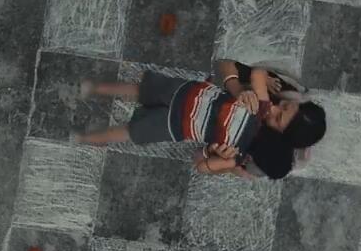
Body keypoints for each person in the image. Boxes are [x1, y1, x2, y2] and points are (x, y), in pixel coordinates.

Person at [73, 58, 326, 179]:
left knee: (132, 119)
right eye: (284, 106)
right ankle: (86, 127)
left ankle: (91, 100)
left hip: (180, 113)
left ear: (279, 136)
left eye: (278, 119)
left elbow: (202, 164)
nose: (274, 110)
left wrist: (214, 154)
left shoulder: (241, 147)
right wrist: (243, 87)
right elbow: (252, 72)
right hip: (183, 103)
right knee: (131, 120)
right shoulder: (259, 110)